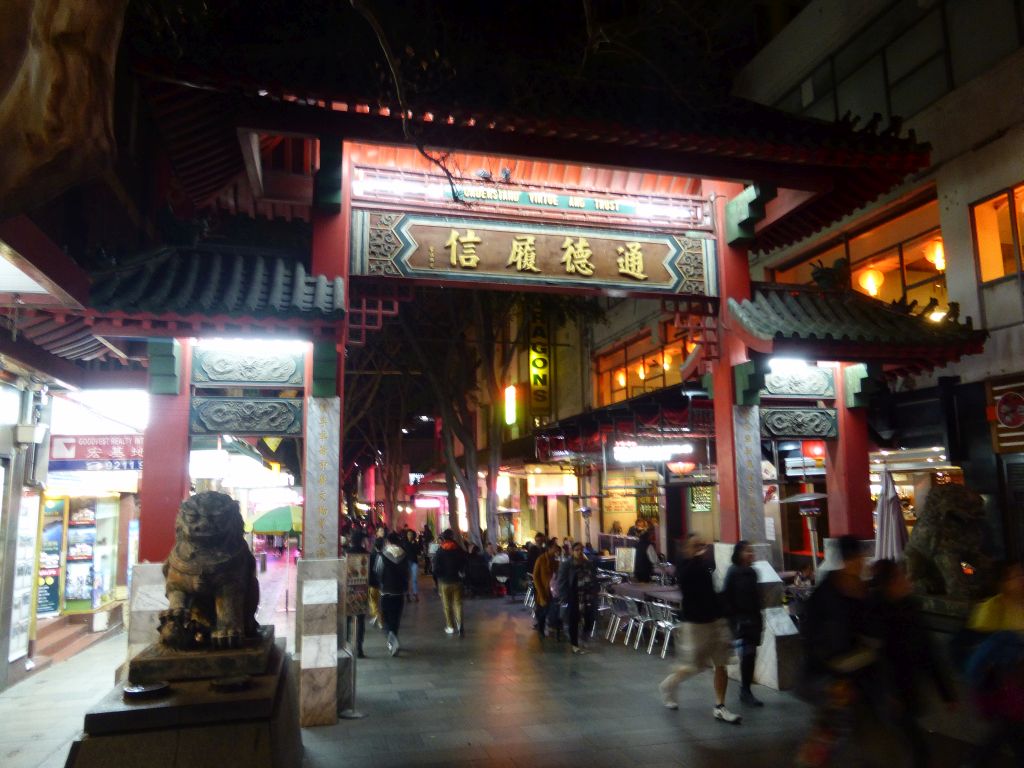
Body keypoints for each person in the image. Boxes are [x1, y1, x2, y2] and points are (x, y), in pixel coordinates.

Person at [866, 558, 955, 768]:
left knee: (909, 747)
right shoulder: (874, 614)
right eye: (901, 576)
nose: (907, 581)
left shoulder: (909, 607)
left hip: (904, 690)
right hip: (886, 694)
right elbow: (877, 657)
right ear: (889, 583)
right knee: (910, 748)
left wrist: (946, 693)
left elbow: (927, 650)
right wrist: (888, 691)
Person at [795, 535, 873, 767]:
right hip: (829, 675)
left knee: (835, 728)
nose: (861, 564)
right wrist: (834, 678)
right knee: (832, 729)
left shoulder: (858, 592)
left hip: (852, 675)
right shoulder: (827, 595)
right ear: (847, 561)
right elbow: (815, 640)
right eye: (858, 559)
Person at [658, 534, 741, 724]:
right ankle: (668, 685)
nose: (701, 548)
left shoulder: (705, 566)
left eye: (702, 545)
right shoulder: (686, 567)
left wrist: (722, 615)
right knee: (693, 666)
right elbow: (687, 584)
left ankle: (720, 706)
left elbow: (712, 593)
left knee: (721, 663)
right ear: (687, 548)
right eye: (696, 545)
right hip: (695, 624)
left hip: (714, 620)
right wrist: (696, 559)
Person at [959, 561, 1024, 767]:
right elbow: (979, 652)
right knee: (1006, 729)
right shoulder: (990, 609)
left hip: (1018, 682)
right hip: (1002, 685)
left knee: (1010, 731)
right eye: (1015, 576)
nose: (1021, 580)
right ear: (1003, 583)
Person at [722, 540, 764, 707]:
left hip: (753, 620)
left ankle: (746, 689)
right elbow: (727, 596)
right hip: (740, 621)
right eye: (748, 551)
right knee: (746, 655)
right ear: (739, 553)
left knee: (751, 655)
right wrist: (733, 619)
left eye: (752, 551)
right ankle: (745, 691)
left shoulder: (753, 573)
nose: (751, 554)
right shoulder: (733, 572)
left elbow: (756, 598)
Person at [555, 541, 599, 654]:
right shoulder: (567, 565)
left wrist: (595, 591)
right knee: (573, 620)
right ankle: (575, 644)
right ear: (572, 551)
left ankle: (584, 637)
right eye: (577, 550)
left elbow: (593, 578)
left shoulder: (587, 563)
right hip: (573, 596)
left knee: (590, 618)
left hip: (587, 596)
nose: (579, 552)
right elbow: (561, 582)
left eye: (581, 550)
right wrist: (563, 596)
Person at [433, 529, 467, 636]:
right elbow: (465, 561)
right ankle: (460, 624)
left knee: (447, 605)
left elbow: (435, 567)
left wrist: (439, 576)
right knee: (458, 604)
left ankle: (450, 626)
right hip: (457, 580)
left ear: (443, 538)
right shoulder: (458, 549)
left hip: (444, 582)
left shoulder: (440, 550)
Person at [379, 532, 408, 656]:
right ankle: (393, 640)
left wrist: (381, 583)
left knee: (386, 618)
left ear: (388, 542)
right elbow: (407, 573)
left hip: (386, 591)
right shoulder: (404, 555)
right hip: (399, 592)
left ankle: (392, 641)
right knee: (396, 618)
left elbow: (378, 571)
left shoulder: (383, 555)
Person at [344, 531, 370, 658]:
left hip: (348, 590)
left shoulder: (346, 553)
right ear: (361, 541)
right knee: (360, 620)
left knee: (347, 619)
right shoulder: (366, 554)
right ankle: (359, 648)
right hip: (362, 590)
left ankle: (346, 645)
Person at [532, 539, 561, 641]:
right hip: (543, 590)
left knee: (554, 611)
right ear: (549, 548)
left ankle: (555, 629)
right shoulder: (541, 559)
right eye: (554, 547)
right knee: (542, 612)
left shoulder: (556, 561)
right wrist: (540, 591)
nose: (556, 548)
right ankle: (541, 630)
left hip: (554, 591)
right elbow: (535, 577)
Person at [367, 535, 384, 629]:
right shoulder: (384, 556)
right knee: (376, 601)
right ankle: (375, 618)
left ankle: (378, 617)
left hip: (372, 582)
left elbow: (368, 570)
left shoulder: (371, 556)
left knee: (372, 602)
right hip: (380, 583)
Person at [403, 528, 422, 602]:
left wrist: (414, 544)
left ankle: (415, 593)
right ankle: (407, 594)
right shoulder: (404, 543)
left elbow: (418, 552)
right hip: (407, 562)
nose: (409, 536)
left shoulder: (415, 543)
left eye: (411, 534)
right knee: (407, 579)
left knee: (414, 579)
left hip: (414, 562)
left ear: (413, 535)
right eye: (408, 534)